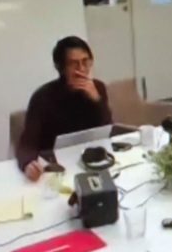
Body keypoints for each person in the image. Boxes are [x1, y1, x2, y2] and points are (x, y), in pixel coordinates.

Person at [17, 36, 113, 181]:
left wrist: (96, 100)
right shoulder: (43, 96)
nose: (81, 69)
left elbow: (107, 128)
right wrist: (27, 164)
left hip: (91, 160)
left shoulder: (98, 87)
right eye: (74, 64)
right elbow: (27, 143)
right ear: (61, 67)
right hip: (55, 166)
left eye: (85, 62)